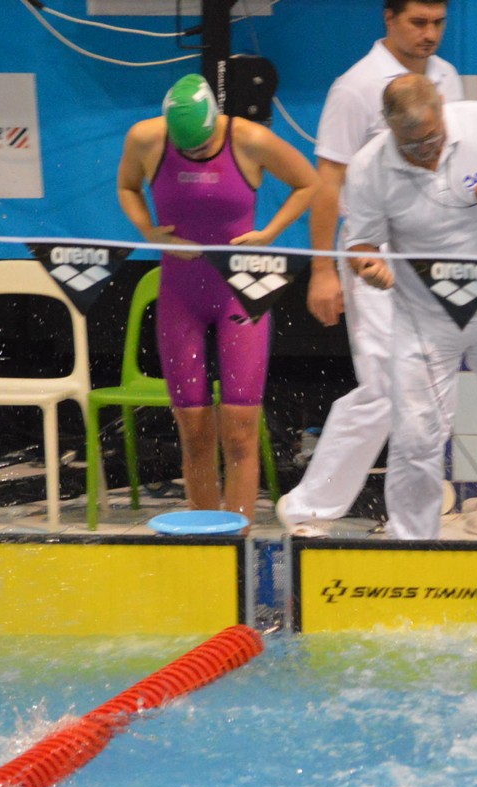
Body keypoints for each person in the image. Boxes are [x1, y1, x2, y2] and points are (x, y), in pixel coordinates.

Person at [276, 0, 460, 537]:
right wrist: (323, 271)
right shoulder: (356, 87)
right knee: (386, 387)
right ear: (389, 18)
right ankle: (310, 505)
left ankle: (415, 514)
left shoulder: (447, 78)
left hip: (436, 256)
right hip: (371, 253)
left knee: (431, 388)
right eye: (418, 22)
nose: (429, 34)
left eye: (438, 23)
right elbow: (327, 182)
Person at [342, 74, 477, 540]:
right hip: (425, 313)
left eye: (432, 138)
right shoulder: (367, 167)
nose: (426, 152)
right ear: (388, 127)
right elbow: (361, 245)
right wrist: (368, 268)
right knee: (415, 436)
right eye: (412, 145)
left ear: (442, 106)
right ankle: (412, 543)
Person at [116, 74, 316, 523]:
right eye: (185, 150)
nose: (195, 155)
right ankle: (203, 538)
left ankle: (237, 539)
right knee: (193, 431)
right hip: (180, 297)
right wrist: (148, 231)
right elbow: (127, 187)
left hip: (239, 298)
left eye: (203, 148)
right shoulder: (146, 139)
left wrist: (269, 233)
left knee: (241, 432)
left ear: (216, 124)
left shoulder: (249, 140)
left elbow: (308, 182)